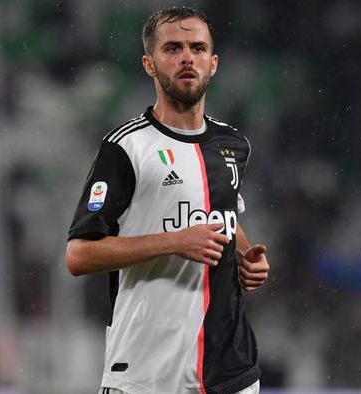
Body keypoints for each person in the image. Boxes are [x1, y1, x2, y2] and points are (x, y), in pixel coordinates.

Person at [66, 6, 269, 394]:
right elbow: (79, 255)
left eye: (197, 47)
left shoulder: (233, 145)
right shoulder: (125, 148)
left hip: (230, 371)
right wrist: (175, 242)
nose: (187, 57)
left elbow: (221, 213)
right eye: (173, 48)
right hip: (147, 373)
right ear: (149, 63)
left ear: (214, 63)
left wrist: (246, 258)